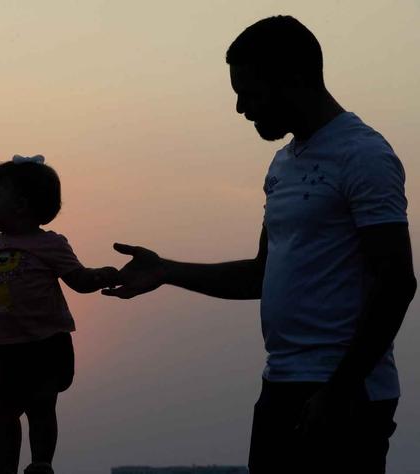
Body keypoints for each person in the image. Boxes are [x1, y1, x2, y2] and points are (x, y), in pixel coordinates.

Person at [103, 16, 416, 474]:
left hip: (346, 395)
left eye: (248, 92)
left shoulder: (364, 156)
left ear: (294, 79)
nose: (239, 107)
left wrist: (339, 389)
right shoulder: (282, 165)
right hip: (281, 385)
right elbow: (259, 274)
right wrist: (166, 270)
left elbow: (397, 283)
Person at [0, 155, 118, 474]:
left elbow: (78, 278)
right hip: (2, 346)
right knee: (3, 411)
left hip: (45, 343)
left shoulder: (51, 244)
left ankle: (40, 463)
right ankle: (7, 465)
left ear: (20, 205)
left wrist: (102, 276)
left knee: (41, 407)